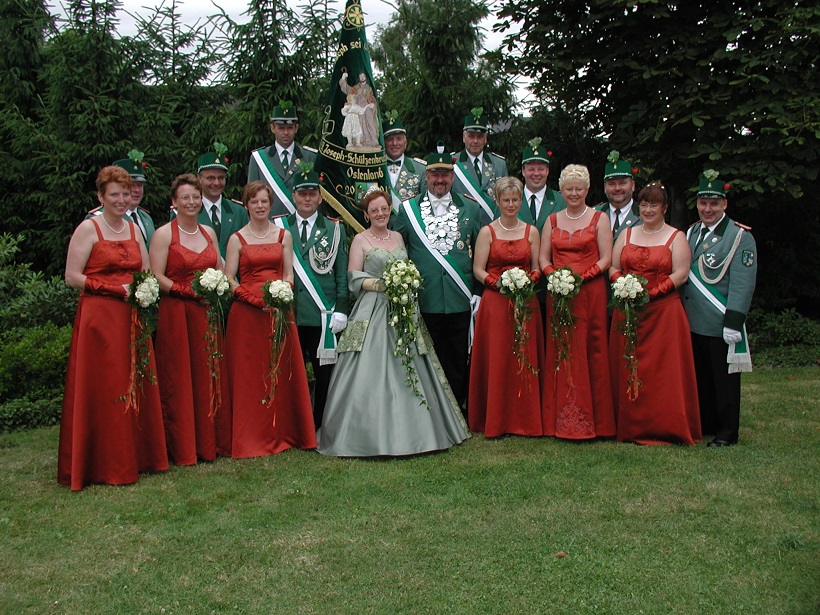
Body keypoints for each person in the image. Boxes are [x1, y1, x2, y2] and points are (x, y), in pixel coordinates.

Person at [318, 188, 468, 456]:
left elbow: (408, 267)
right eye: (374, 210)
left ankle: (419, 430)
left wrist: (405, 282)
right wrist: (385, 284)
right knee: (368, 366)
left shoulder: (398, 236)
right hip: (372, 309)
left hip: (403, 308)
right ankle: (362, 433)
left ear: (390, 210)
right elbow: (353, 278)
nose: (380, 214)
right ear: (366, 214)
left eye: (384, 209)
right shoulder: (360, 240)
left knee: (412, 362)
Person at [59, 166, 168, 490]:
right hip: (99, 318)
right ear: (101, 196)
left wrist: (144, 289)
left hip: (131, 317)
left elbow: (145, 270)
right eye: (115, 194)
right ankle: (102, 461)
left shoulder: (134, 229)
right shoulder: (89, 228)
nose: (121, 200)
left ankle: (137, 456)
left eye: (125, 194)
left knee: (133, 379)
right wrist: (111, 289)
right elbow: (71, 276)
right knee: (105, 384)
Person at [219, 181, 317, 458]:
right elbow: (229, 277)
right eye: (254, 202)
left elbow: (288, 273)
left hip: (278, 311)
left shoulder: (283, 235)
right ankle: (250, 434)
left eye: (264, 201)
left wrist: (282, 291)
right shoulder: (237, 239)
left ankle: (284, 431)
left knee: (281, 371)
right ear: (247, 205)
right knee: (249, 375)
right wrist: (250, 298)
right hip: (246, 314)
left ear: (270, 204)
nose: (260, 206)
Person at [609, 183, 701, 445]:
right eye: (644, 205)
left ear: (664, 208)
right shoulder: (626, 234)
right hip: (629, 312)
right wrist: (624, 286)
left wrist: (651, 293)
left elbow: (681, 274)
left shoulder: (676, 237)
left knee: (663, 372)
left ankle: (665, 425)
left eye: (654, 205)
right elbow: (614, 267)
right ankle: (630, 425)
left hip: (663, 314)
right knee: (628, 366)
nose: (648, 210)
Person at [392, 146, 482, 412]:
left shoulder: (470, 207)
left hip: (459, 297)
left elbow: (480, 251)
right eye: (434, 174)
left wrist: (478, 290)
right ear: (426, 176)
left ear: (452, 177)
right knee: (426, 356)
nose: (439, 180)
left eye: (444, 174)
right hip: (425, 297)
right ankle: (430, 412)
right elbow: (396, 248)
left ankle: (456, 410)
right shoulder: (408, 209)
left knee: (457, 356)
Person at [149, 174, 223, 465]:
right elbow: (156, 275)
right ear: (174, 202)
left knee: (206, 374)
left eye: (195, 197)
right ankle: (181, 445)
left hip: (205, 313)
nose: (191, 202)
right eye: (185, 197)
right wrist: (186, 292)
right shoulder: (164, 235)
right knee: (178, 376)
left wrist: (216, 287)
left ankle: (208, 442)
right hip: (176, 313)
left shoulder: (209, 233)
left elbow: (218, 267)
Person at [539, 164, 615, 440]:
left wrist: (582, 278)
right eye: (569, 189)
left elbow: (606, 258)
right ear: (561, 190)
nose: (573, 193)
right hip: (559, 295)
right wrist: (555, 276)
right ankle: (558, 418)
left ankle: (597, 420)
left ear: (587, 190)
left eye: (578, 189)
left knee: (591, 350)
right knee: (562, 349)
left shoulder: (599, 218)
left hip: (590, 293)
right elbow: (543, 257)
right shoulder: (552, 220)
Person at [682, 170, 757, 447]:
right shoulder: (692, 232)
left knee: (724, 381)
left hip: (719, 321)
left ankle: (727, 431)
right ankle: (708, 423)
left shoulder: (739, 237)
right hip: (693, 321)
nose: (708, 209)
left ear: (724, 204)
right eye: (703, 203)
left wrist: (734, 321)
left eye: (714, 203)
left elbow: (742, 283)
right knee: (702, 378)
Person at [469, 177, 546, 437]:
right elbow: (478, 269)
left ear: (521, 200)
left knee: (524, 356)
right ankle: (496, 418)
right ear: (498, 201)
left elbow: (536, 267)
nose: (511, 205)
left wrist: (527, 282)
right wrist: (499, 284)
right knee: (499, 357)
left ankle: (525, 418)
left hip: (525, 302)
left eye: (515, 200)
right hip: (496, 302)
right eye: (506, 200)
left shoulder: (531, 232)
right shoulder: (487, 232)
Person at [282, 166, 349, 429]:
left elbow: (341, 274)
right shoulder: (280, 226)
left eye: (312, 193)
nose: (307, 198)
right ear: (294, 196)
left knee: (325, 376)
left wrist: (341, 308)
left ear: (320, 197)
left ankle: (321, 424)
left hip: (323, 315)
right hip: (290, 313)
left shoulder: (334, 228)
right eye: (302, 194)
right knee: (291, 373)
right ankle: (293, 425)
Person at [519, 138, 566, 308]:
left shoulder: (561, 201)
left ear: (547, 171)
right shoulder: (509, 200)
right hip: (517, 285)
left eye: (540, 168)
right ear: (523, 171)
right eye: (531, 169)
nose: (536, 173)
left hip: (552, 285)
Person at [247, 100, 317, 216]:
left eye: (290, 127)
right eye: (281, 128)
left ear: (296, 128)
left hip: (300, 222)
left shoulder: (310, 157)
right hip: (268, 222)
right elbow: (251, 196)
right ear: (272, 128)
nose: (286, 132)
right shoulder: (258, 158)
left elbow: (316, 195)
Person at [87, 151, 156, 248]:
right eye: (132, 185)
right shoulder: (99, 217)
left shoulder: (146, 218)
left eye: (140, 185)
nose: (136, 190)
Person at [450, 108, 508, 222]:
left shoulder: (499, 164)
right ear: (464, 138)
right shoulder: (453, 163)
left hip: (492, 225)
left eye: (480, 137)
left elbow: (506, 197)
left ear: (485, 139)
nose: (475, 141)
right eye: (471, 136)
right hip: (463, 224)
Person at [196, 145, 248, 258]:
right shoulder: (190, 212)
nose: (216, 183)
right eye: (210, 178)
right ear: (199, 178)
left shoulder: (239, 212)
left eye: (221, 178)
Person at [596, 150, 640, 242]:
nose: (617, 188)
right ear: (605, 187)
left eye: (622, 183)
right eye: (611, 184)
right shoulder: (595, 214)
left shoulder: (643, 215)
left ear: (632, 185)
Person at [383, 111, 425, 203]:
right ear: (384, 143)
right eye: (390, 139)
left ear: (405, 143)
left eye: (399, 139)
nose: (395, 143)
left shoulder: (420, 169)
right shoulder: (377, 169)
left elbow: (425, 202)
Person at [338, 69, 379, 149]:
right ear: (358, 78)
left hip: (366, 107)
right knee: (358, 124)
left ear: (366, 77)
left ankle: (373, 141)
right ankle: (359, 141)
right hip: (357, 108)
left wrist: (372, 104)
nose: (362, 78)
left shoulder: (369, 88)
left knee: (370, 122)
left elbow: (372, 98)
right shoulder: (356, 88)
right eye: (360, 76)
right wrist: (343, 78)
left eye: (363, 76)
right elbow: (347, 89)